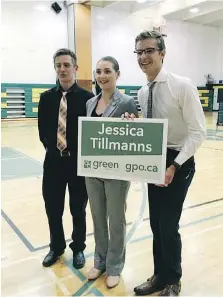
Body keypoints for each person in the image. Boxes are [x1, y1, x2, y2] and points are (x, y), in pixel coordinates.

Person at [124, 31, 206, 296]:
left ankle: (173, 279)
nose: (143, 56)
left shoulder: (182, 86)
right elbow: (153, 129)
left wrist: (174, 166)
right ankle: (159, 276)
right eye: (139, 52)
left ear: (162, 53)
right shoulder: (142, 91)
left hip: (179, 161)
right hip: (155, 159)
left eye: (149, 51)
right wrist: (136, 126)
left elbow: (198, 133)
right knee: (156, 224)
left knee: (169, 225)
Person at [38, 48, 94, 269]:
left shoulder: (88, 99)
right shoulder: (46, 98)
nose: (62, 69)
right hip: (53, 162)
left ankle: (78, 247)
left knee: (77, 208)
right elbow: (42, 131)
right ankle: (56, 246)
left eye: (66, 65)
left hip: (77, 163)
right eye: (58, 65)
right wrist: (54, 149)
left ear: (76, 68)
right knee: (53, 207)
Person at [85, 56, 138, 288]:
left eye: (107, 71)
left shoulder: (126, 102)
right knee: (97, 218)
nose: (102, 76)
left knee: (116, 220)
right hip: (92, 171)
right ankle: (100, 260)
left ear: (117, 74)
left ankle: (115, 265)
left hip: (116, 173)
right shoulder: (90, 102)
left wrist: (132, 124)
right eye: (98, 71)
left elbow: (135, 134)